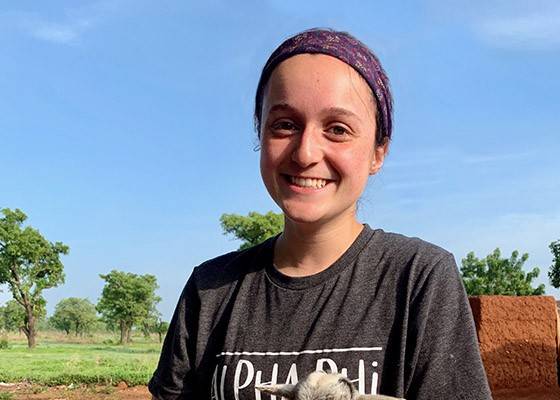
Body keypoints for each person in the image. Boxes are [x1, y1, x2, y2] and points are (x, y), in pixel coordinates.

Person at [148, 28, 492, 400]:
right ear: (260, 135)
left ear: (378, 153)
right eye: (285, 125)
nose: (305, 153)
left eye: (338, 129)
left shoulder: (419, 278)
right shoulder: (210, 289)